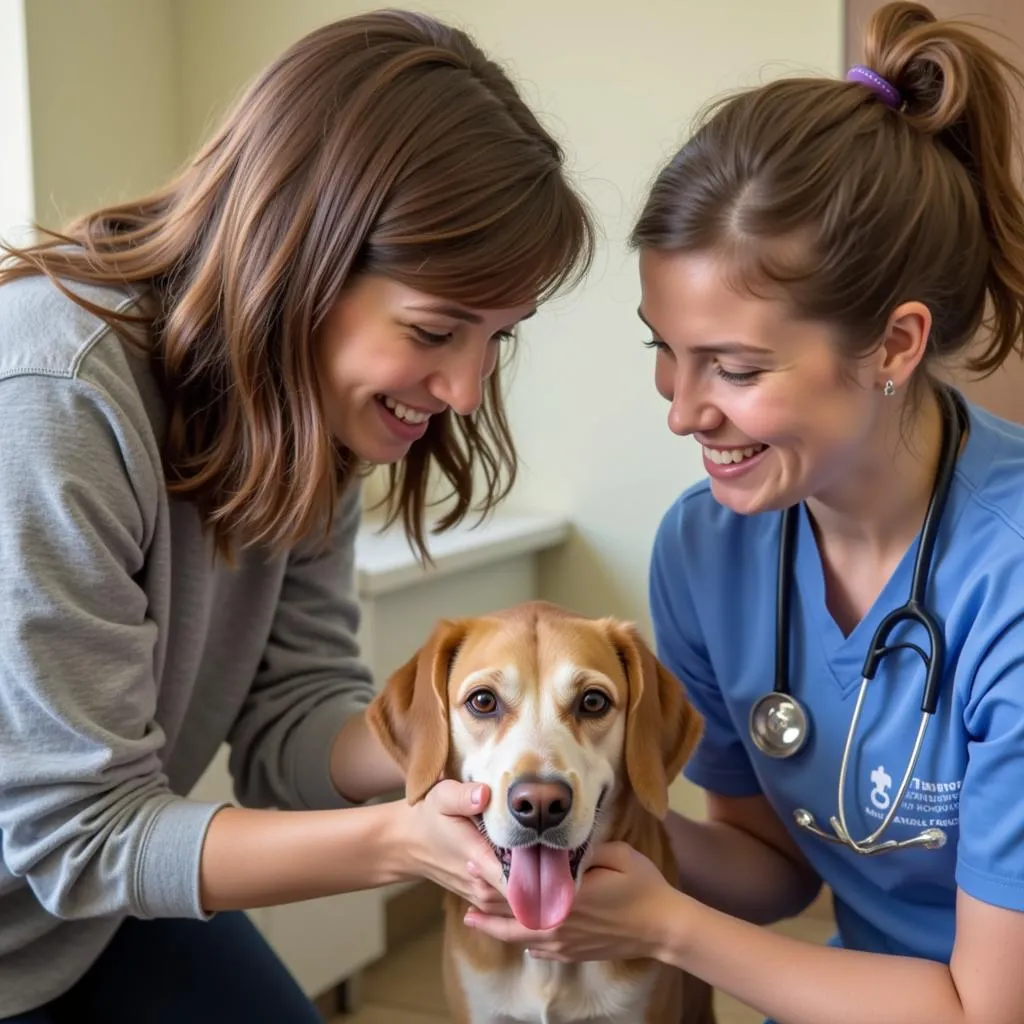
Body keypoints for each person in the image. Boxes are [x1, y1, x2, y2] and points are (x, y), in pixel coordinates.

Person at [0, 9, 592, 1022]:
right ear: (302, 259)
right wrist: (401, 839)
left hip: (83, 914)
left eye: (498, 337)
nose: (463, 389)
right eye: (437, 329)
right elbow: (77, 834)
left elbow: (288, 721)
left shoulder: (308, 406)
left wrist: (452, 741)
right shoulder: (55, 396)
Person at [463, 3, 1024, 1022]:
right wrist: (568, 814)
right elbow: (774, 867)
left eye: (732, 366)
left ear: (895, 346)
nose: (681, 410)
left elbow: (984, 1008)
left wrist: (662, 924)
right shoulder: (707, 547)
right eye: (663, 352)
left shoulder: (1011, 580)